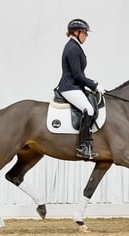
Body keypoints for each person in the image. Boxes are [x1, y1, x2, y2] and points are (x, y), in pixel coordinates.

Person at [55, 18, 105, 159]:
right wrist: (94, 85)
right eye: (85, 33)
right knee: (88, 109)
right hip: (69, 87)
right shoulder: (72, 48)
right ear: (76, 32)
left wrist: (92, 84)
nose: (86, 36)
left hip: (76, 86)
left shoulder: (75, 46)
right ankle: (83, 146)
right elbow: (77, 75)